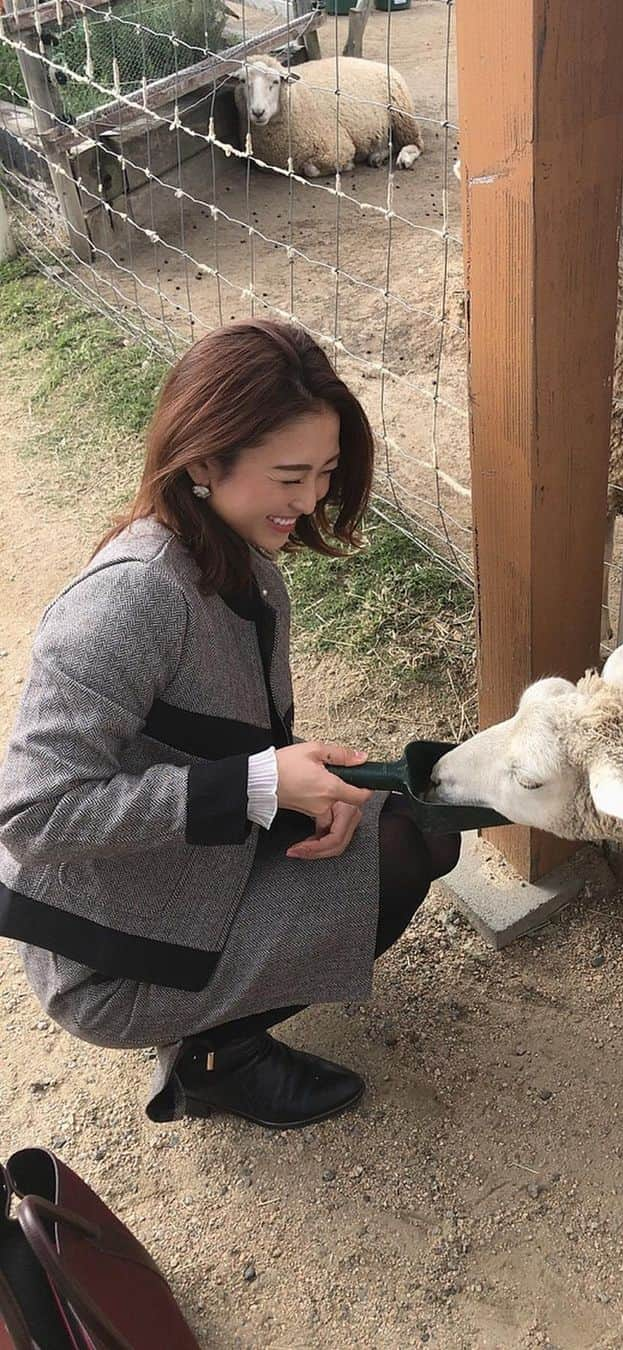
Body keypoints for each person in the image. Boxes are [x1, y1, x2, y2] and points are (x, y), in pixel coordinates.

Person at [0, 319, 460, 1129]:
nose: (313, 499)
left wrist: (303, 786)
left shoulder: (235, 558)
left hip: (188, 873)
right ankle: (215, 1056)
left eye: (324, 472)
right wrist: (258, 782)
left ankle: (223, 1029)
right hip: (119, 950)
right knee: (402, 849)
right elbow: (30, 814)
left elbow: (225, 747)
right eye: (290, 474)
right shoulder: (129, 598)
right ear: (206, 460)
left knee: (417, 828)